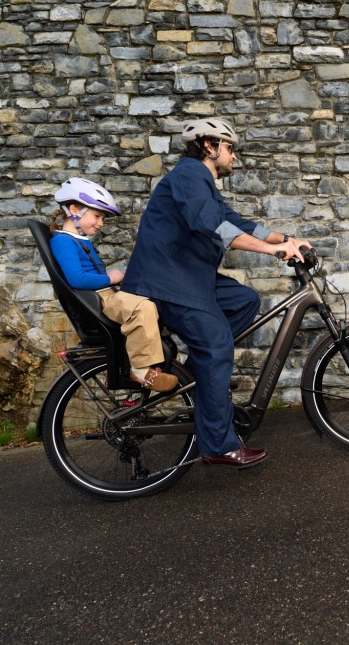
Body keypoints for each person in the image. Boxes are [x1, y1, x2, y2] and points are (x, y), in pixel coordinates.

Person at [121, 118, 310, 468]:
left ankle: (195, 381)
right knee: (216, 343)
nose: (234, 157)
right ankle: (218, 445)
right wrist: (272, 252)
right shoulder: (190, 175)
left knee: (244, 301)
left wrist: (286, 240)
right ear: (209, 147)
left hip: (191, 278)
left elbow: (237, 222)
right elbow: (212, 227)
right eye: (230, 148)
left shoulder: (203, 184)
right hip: (169, 282)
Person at [49, 177, 179, 393]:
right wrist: (111, 278)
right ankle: (141, 370)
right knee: (143, 307)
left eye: (102, 218)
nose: (101, 223)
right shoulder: (64, 241)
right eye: (97, 216)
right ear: (74, 209)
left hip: (104, 296)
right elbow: (76, 278)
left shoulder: (76, 240)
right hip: (100, 300)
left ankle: (154, 360)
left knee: (154, 300)